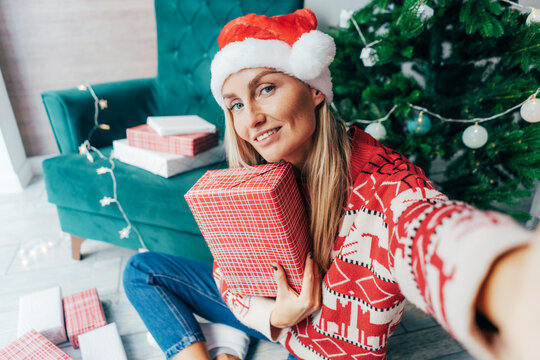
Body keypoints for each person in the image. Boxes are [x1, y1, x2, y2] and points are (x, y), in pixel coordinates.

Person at [123, 8, 540, 360]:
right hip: (278, 318)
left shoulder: (386, 187)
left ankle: (235, 339)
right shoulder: (256, 173)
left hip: (323, 349)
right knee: (141, 270)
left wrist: (507, 280)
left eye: (266, 89)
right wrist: (275, 318)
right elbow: (230, 274)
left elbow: (428, 230)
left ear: (313, 89)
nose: (250, 119)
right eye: (235, 105)